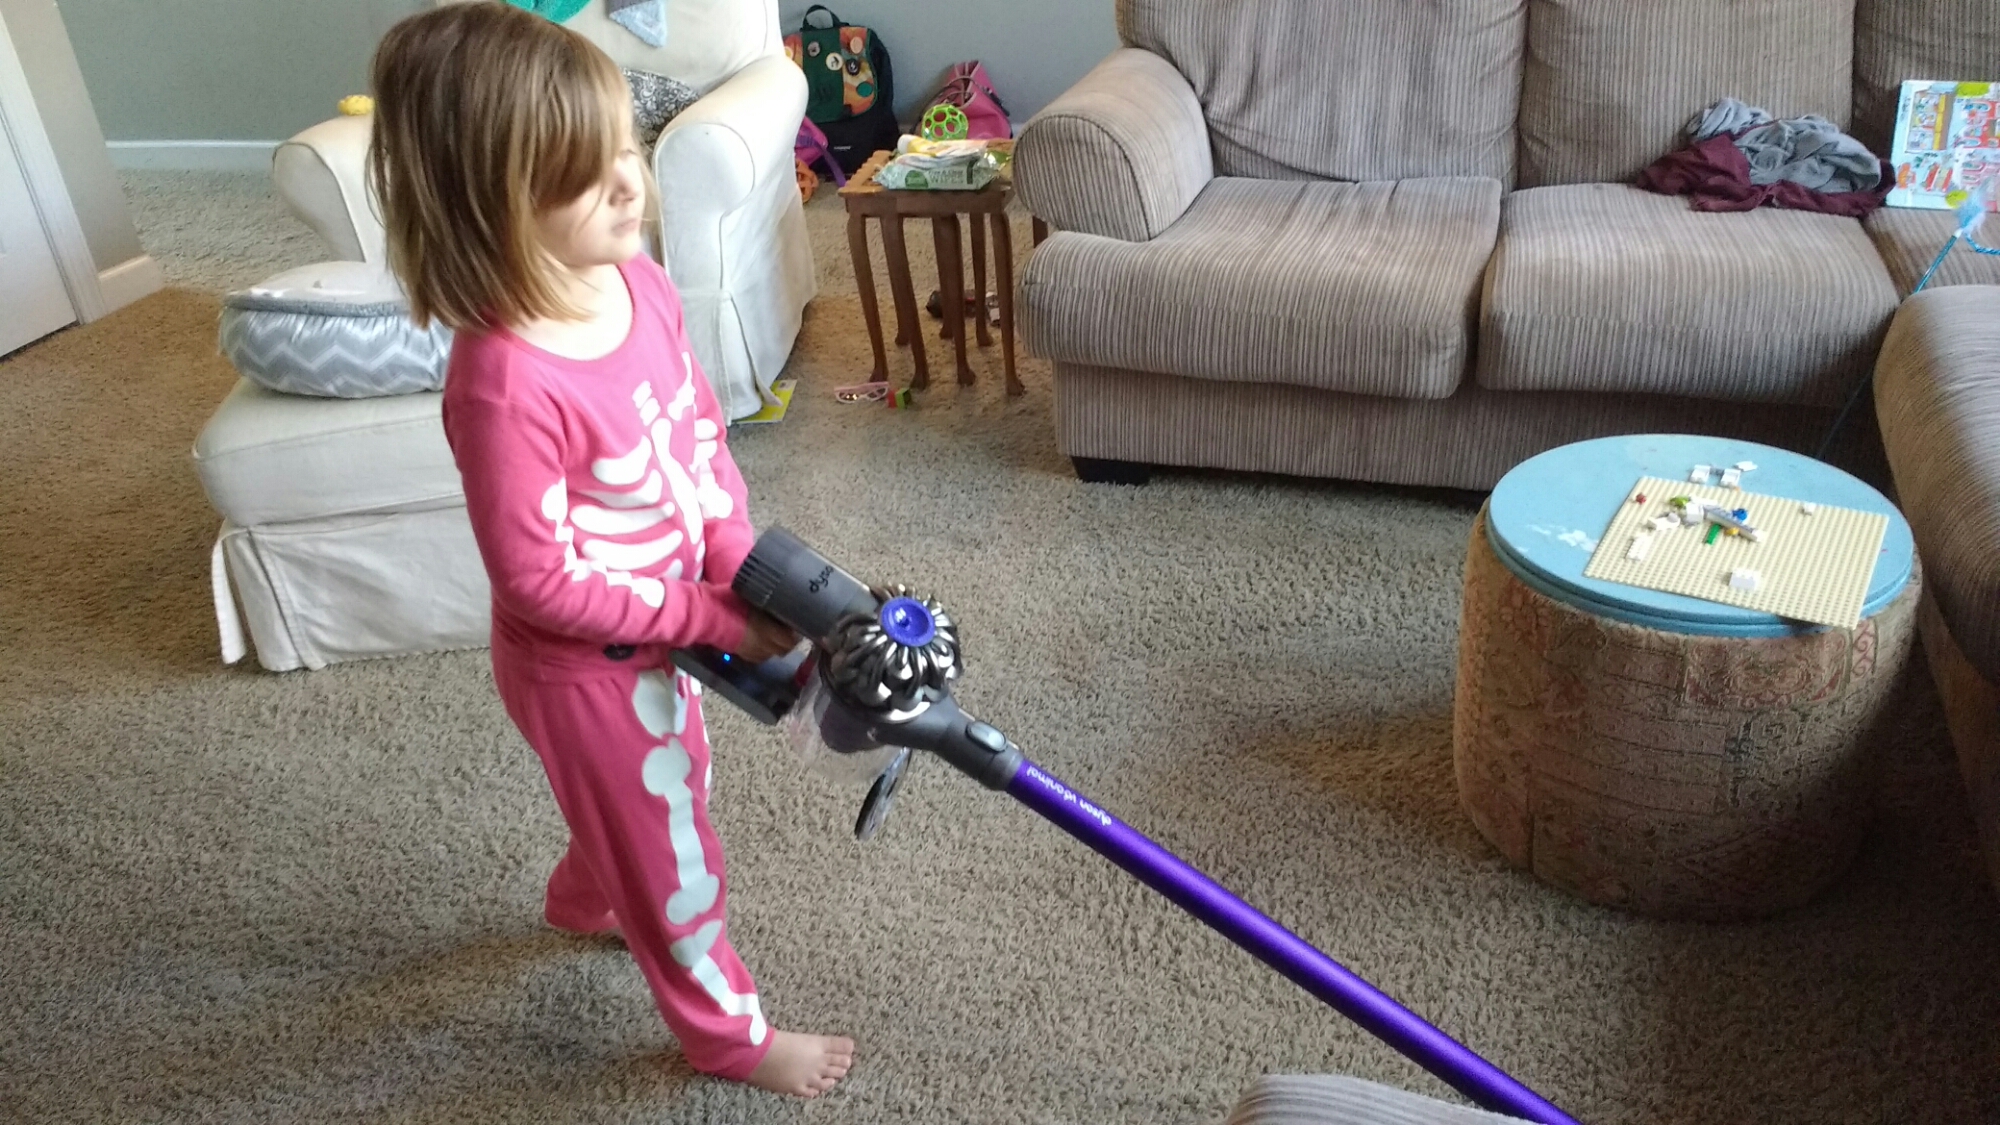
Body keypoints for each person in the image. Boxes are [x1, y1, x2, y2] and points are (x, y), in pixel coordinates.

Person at [366, 2, 852, 1098]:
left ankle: (588, 894)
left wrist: (733, 554)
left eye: (626, 149)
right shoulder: (503, 382)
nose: (629, 185)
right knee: (674, 854)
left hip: (671, 616)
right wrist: (711, 619)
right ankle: (726, 1037)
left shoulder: (635, 278)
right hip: (581, 668)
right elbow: (538, 581)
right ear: (490, 206)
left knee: (670, 784)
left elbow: (696, 434)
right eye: (586, 180)